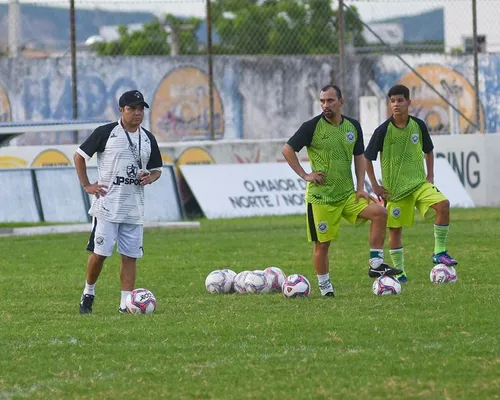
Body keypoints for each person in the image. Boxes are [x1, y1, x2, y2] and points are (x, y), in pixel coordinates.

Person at [282, 85, 402, 297]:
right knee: (323, 245)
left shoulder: (352, 127)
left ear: (341, 101)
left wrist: (360, 188)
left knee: (380, 213)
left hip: (347, 195)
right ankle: (325, 287)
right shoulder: (311, 127)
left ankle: (376, 264)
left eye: (329, 101)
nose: (325, 105)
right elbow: (287, 149)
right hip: (321, 199)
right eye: (322, 101)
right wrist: (305, 175)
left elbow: (359, 157)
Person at [74, 90, 163, 313]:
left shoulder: (148, 138)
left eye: (141, 108)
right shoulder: (106, 133)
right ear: (122, 110)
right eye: (132, 108)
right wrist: (87, 185)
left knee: (130, 256)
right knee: (100, 254)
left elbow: (157, 170)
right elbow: (79, 156)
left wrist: (149, 177)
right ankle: (88, 292)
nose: (137, 113)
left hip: (133, 208)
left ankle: (126, 304)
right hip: (107, 206)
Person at [364, 84, 458, 283]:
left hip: (418, 184)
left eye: (399, 100)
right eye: (392, 101)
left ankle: (439, 251)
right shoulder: (382, 130)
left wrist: (430, 175)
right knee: (395, 231)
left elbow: (429, 150)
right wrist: (375, 185)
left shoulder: (419, 125)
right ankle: (401, 272)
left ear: (409, 102)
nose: (396, 105)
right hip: (395, 191)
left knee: (443, 205)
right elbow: (367, 158)